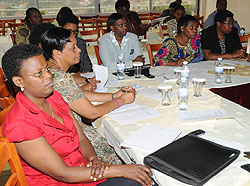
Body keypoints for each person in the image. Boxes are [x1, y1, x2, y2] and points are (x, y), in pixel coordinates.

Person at [1, 44, 156, 186]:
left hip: (82, 173)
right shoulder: (20, 123)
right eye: (38, 74)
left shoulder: (54, 97)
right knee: (143, 178)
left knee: (148, 176)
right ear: (19, 81)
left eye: (47, 69)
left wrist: (93, 158)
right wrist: (120, 170)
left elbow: (81, 138)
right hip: (62, 181)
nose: (48, 76)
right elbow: (63, 174)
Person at [40, 27, 136, 164]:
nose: (79, 50)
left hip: (68, 132)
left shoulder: (51, 70)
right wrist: (121, 101)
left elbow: (77, 95)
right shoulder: (60, 78)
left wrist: (113, 95)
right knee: (122, 144)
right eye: (73, 48)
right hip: (76, 138)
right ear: (57, 53)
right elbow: (92, 112)